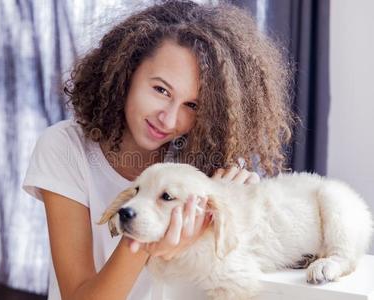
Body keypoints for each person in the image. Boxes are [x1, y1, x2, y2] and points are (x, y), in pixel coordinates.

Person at [23, 1, 294, 299]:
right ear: (127, 72)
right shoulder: (65, 148)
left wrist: (240, 211)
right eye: (161, 90)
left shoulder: (203, 164)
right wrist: (148, 242)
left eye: (191, 105)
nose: (169, 119)